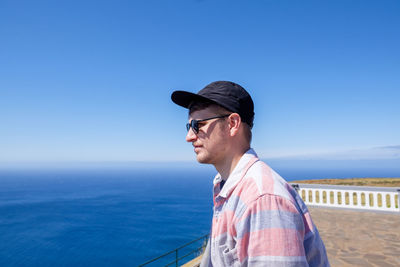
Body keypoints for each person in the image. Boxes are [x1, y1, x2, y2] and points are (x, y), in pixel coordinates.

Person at [171, 81, 329, 267]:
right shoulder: (230, 187)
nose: (189, 136)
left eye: (198, 125)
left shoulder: (262, 200)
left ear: (232, 124)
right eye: (188, 127)